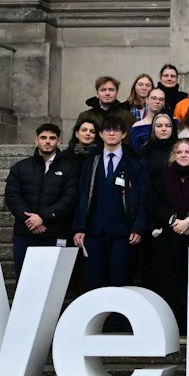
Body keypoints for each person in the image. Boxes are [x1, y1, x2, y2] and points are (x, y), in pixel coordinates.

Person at [146, 138, 189, 327]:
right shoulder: (163, 176)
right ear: (173, 156)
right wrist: (174, 220)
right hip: (169, 237)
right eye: (179, 152)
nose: (183, 155)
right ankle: (172, 324)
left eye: (187, 152)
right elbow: (153, 203)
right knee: (169, 282)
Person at [72, 119, 149, 289]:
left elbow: (143, 198)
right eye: (107, 130)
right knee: (94, 282)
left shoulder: (134, 164)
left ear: (124, 134)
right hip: (94, 232)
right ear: (100, 134)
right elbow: (82, 195)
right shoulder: (91, 162)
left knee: (119, 282)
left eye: (116, 130)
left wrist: (138, 227)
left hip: (123, 233)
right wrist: (79, 228)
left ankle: (118, 317)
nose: (112, 133)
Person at [5, 123, 76, 273]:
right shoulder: (20, 167)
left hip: (55, 233)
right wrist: (31, 221)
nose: (47, 141)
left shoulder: (69, 168)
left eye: (52, 138)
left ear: (59, 141)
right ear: (36, 140)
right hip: (25, 232)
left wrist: (43, 218)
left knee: (52, 281)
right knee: (25, 278)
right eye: (43, 138)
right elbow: (12, 197)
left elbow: (69, 198)